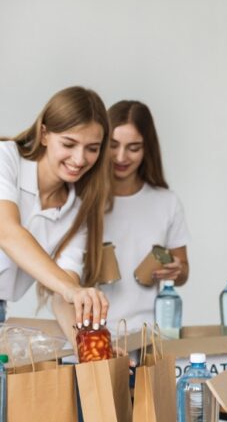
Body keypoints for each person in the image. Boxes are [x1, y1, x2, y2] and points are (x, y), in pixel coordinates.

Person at [0, 86, 112, 333]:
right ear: (44, 135)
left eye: (92, 148)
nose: (80, 159)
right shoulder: (5, 159)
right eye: (69, 144)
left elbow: (65, 295)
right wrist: (71, 289)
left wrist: (93, 353)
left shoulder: (77, 212)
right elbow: (7, 232)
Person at [102, 100, 190, 334]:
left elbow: (183, 271)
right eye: (113, 145)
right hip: (92, 335)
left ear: (147, 148)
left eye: (133, 148)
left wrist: (176, 270)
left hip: (148, 335)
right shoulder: (84, 200)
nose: (121, 157)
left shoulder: (166, 202)